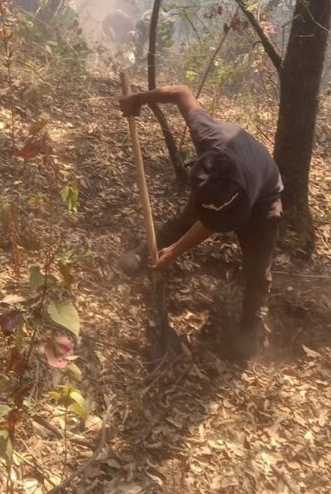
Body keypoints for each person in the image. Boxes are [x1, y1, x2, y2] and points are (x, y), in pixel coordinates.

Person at [119, 84, 283, 357]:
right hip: (227, 175)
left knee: (257, 268)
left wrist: (173, 253)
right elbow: (181, 92)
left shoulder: (246, 196)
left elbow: (208, 225)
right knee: (184, 220)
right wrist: (139, 99)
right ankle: (145, 252)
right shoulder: (208, 141)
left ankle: (250, 324)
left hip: (263, 195)